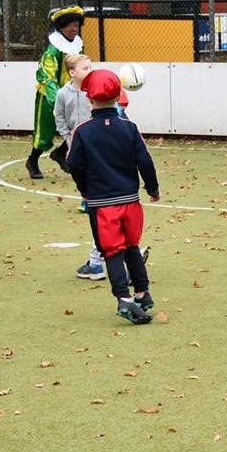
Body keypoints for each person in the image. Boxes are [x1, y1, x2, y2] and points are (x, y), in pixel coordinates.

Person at [66, 69, 160, 324]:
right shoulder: (129, 128)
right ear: (119, 96)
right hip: (130, 201)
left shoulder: (83, 132)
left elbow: (74, 163)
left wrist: (84, 189)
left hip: (101, 204)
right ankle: (143, 292)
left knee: (111, 252)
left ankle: (124, 299)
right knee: (132, 246)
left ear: (90, 100)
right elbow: (145, 161)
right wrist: (153, 188)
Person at [54, 53, 107, 279]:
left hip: (96, 144)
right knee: (87, 180)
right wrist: (68, 139)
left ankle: (102, 258)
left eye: (91, 66)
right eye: (85, 67)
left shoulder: (95, 90)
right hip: (77, 145)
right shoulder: (63, 94)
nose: (90, 69)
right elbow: (59, 117)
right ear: (72, 72)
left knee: (103, 205)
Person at [25, 6, 85, 179]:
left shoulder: (77, 45)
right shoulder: (52, 50)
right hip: (49, 96)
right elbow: (48, 77)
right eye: (70, 26)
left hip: (71, 92)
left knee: (77, 127)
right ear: (61, 27)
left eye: (76, 25)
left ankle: (60, 153)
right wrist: (58, 100)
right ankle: (32, 161)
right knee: (45, 132)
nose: (74, 29)